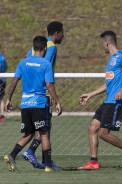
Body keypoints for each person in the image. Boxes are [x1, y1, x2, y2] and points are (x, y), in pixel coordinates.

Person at [77, 30, 122, 170]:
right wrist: (91, 94)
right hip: (108, 101)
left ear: (107, 43)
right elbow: (109, 84)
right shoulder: (111, 61)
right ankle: (93, 162)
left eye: (102, 44)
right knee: (92, 127)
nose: (102, 46)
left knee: (103, 134)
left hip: (116, 102)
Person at [3, 36, 62, 172]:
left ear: (33, 48)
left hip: (25, 103)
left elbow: (14, 81)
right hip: (39, 103)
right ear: (45, 48)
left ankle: (12, 155)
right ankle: (48, 165)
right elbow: (49, 85)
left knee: (29, 134)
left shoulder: (23, 63)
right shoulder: (45, 64)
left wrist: (9, 99)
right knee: (44, 134)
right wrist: (57, 101)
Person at [21, 21, 64, 169]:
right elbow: (44, 67)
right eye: (62, 33)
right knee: (45, 127)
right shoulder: (51, 47)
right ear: (57, 33)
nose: (63, 36)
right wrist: (49, 92)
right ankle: (40, 157)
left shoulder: (34, 47)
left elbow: (29, 62)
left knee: (43, 126)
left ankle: (37, 155)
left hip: (29, 92)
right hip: (42, 92)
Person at [0, 46, 7, 122]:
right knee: (1, 98)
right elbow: (6, 67)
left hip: (0, 80)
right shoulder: (2, 57)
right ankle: (2, 115)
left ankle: (1, 115)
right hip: (3, 79)